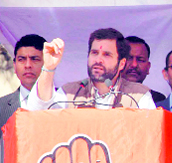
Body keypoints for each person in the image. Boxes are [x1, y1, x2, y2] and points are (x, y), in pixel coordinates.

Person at [27, 28, 156, 110]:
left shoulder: (138, 96)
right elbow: (37, 110)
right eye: (94, 53)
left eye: (107, 54)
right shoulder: (70, 93)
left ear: (121, 64)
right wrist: (48, 68)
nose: (98, 60)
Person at [0, 33, 46, 163]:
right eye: (21, 59)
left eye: (34, 59)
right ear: (14, 64)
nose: (27, 65)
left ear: (47, 63)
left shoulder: (62, 104)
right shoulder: (2, 107)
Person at [121, 36, 166, 103]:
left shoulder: (157, 100)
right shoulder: (106, 96)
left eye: (140, 60)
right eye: (129, 58)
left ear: (148, 67)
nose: (134, 64)